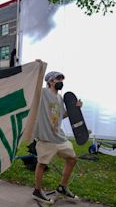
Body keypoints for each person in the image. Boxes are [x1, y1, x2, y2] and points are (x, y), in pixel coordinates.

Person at [32, 71, 82, 204]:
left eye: (62, 79)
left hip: (59, 137)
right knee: (42, 164)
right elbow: (33, 85)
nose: (61, 81)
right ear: (50, 81)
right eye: (57, 79)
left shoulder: (60, 98)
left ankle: (62, 187)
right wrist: (38, 68)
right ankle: (37, 190)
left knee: (72, 159)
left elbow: (60, 116)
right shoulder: (42, 93)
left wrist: (74, 109)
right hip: (46, 137)